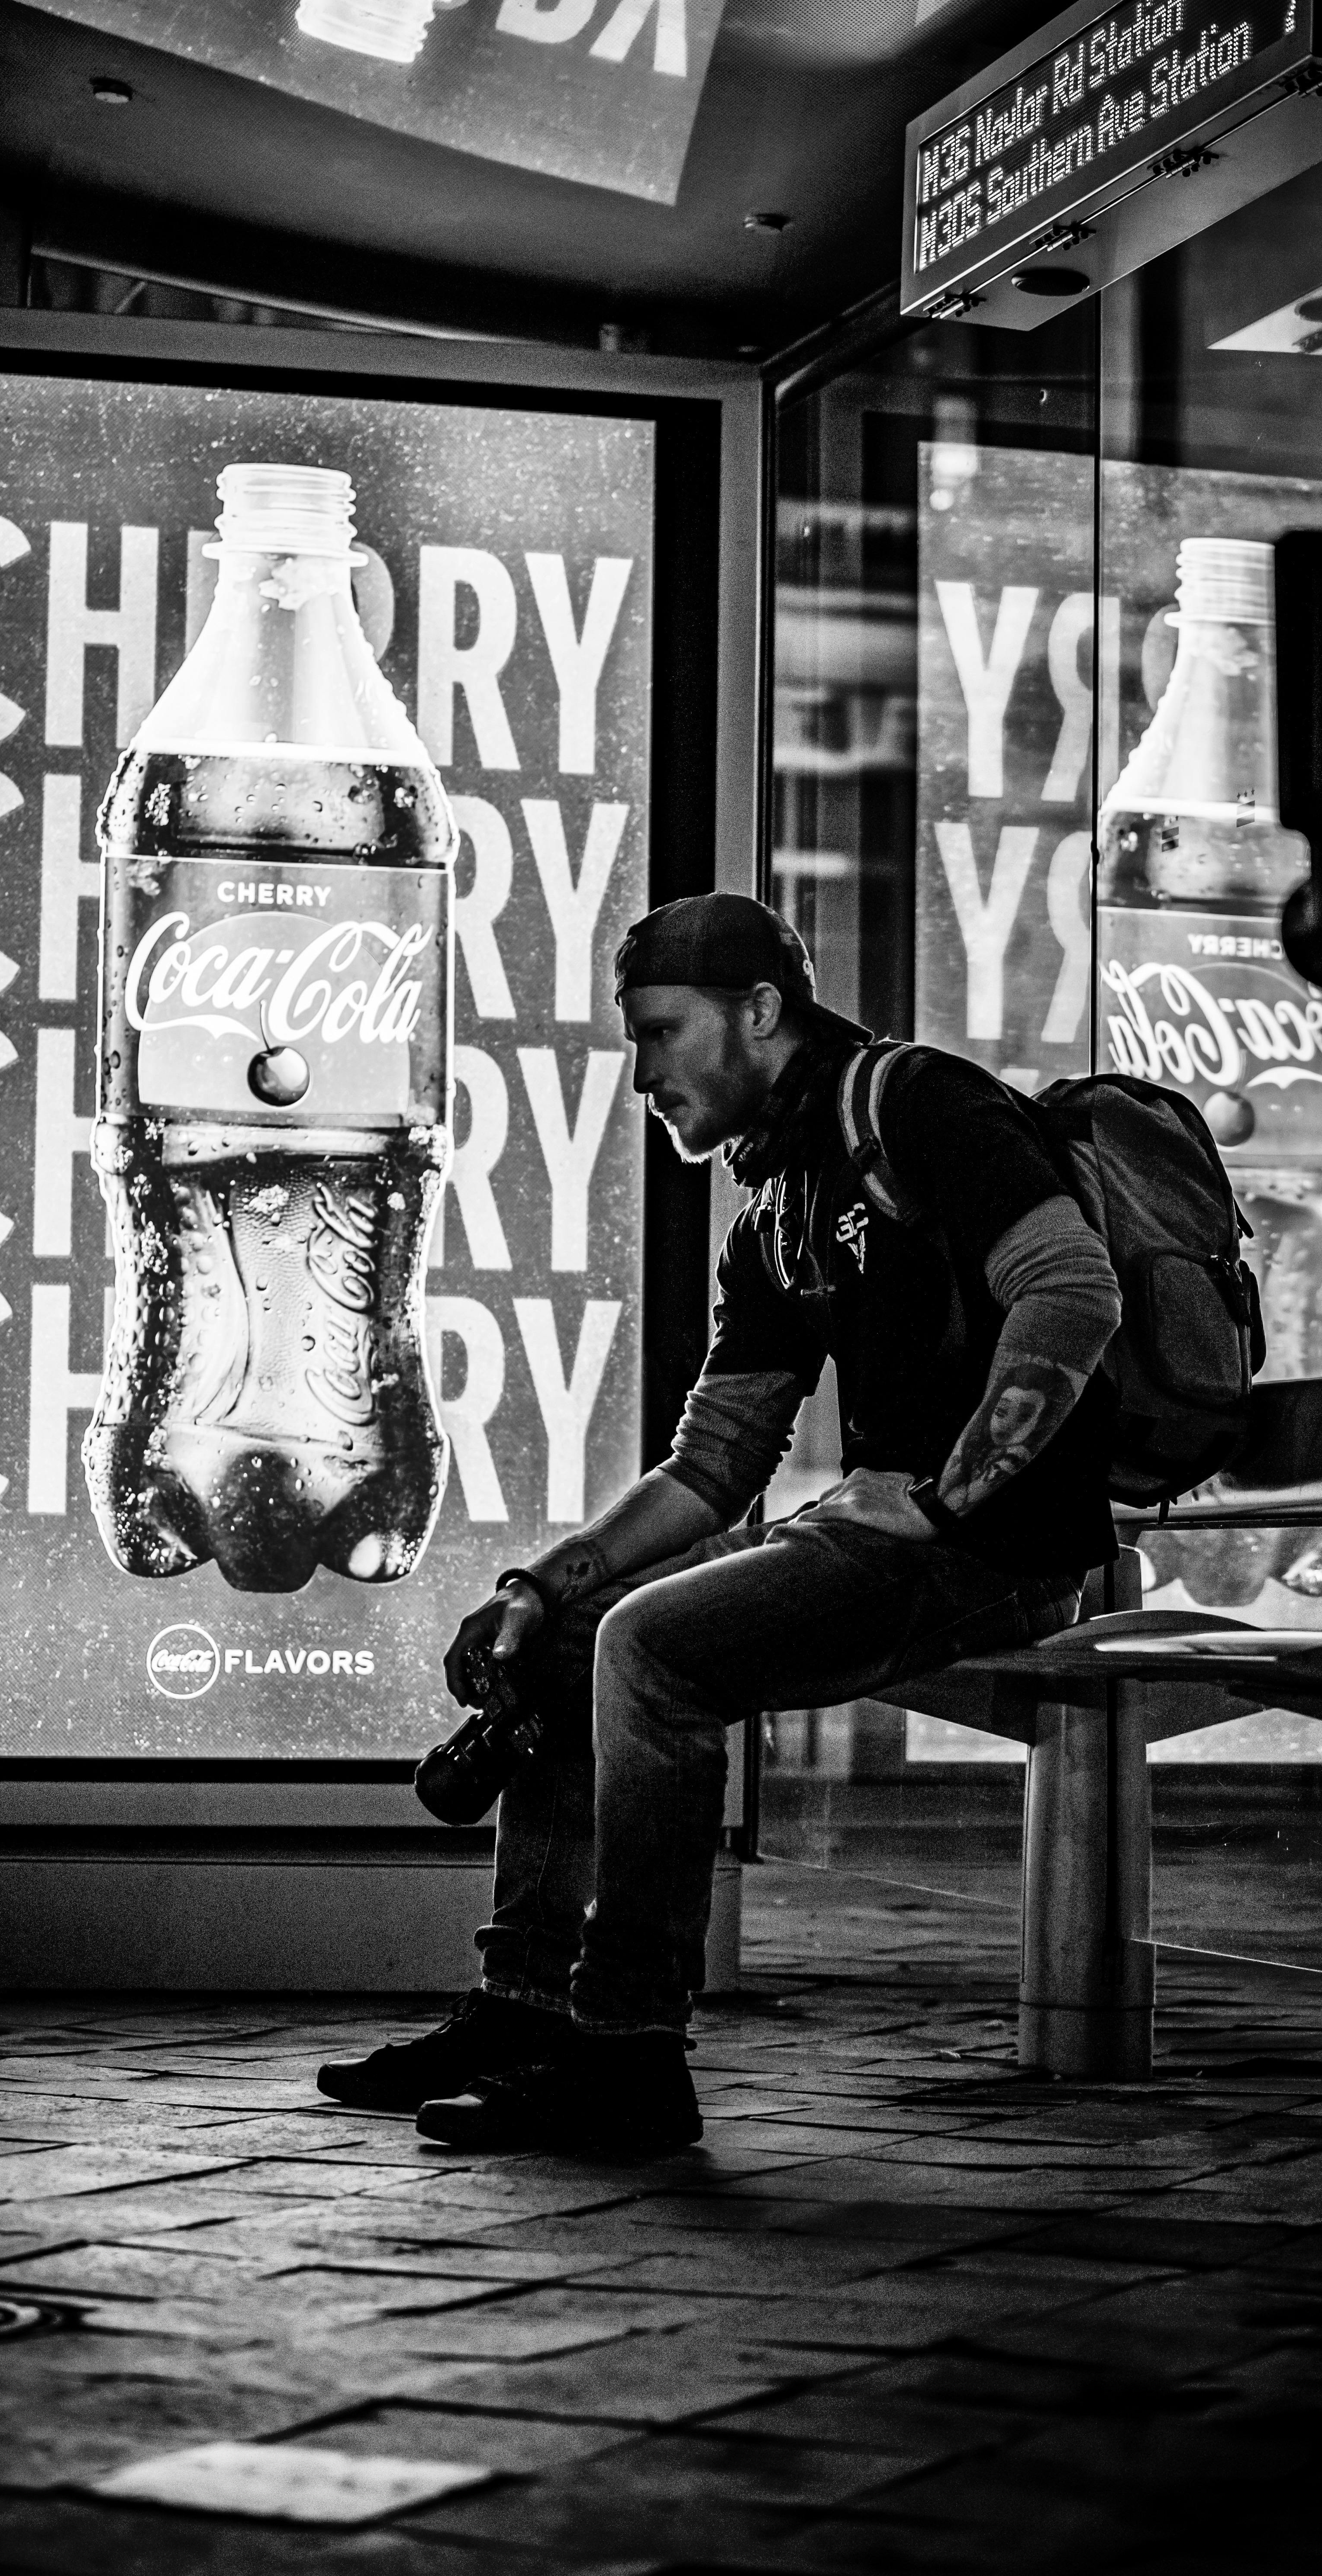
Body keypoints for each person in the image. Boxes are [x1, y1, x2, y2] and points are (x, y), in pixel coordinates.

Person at [318, 893, 1124, 2152]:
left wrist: (957, 1493)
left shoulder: (913, 1102)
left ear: (761, 1012)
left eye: (659, 1033)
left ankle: (630, 2053)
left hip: (1000, 1553)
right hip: (880, 1536)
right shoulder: (775, 1215)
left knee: (653, 1652)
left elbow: (1072, 1288)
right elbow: (712, 1467)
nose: (641, 1074)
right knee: (581, 1634)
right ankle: (525, 2014)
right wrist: (543, 1582)